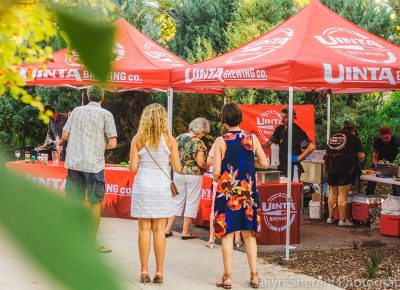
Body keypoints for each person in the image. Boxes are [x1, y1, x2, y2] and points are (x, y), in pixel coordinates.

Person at [212, 103, 268, 289]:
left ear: (224, 120)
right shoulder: (252, 138)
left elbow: (216, 172)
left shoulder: (221, 141)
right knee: (249, 234)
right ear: (240, 118)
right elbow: (265, 163)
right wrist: (248, 167)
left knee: (227, 234)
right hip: (248, 192)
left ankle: (227, 278)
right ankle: (254, 276)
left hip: (227, 192)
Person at [57, 86, 117, 252]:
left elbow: (66, 135)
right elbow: (112, 143)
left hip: (74, 162)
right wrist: (97, 144)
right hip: (94, 165)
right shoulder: (106, 115)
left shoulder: (76, 111)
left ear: (88, 96)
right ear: (102, 98)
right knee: (94, 203)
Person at [129, 103, 182, 284]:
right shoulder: (170, 140)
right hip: (161, 187)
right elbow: (177, 167)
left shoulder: (138, 139)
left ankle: (144, 271)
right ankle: (159, 272)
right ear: (163, 119)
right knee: (159, 230)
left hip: (143, 185)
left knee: (144, 230)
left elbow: (133, 168)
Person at [165, 118, 210, 239]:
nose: (204, 135)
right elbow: (200, 163)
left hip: (178, 173)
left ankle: (168, 229)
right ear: (200, 130)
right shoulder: (198, 143)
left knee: (176, 201)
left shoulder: (179, 138)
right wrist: (208, 165)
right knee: (191, 202)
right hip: (193, 175)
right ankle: (185, 232)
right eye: (204, 132)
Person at [206, 134, 243, 249]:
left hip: (220, 180)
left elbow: (209, 161)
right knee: (236, 207)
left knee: (215, 209)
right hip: (236, 180)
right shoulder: (243, 141)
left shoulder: (219, 141)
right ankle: (237, 239)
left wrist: (219, 161)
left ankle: (212, 238)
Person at [325, 122, 365, 226]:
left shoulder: (333, 136)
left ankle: (330, 217)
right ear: (353, 130)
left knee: (332, 192)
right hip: (344, 167)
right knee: (342, 193)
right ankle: (342, 220)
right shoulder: (353, 137)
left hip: (330, 165)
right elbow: (360, 156)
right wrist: (362, 156)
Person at [262, 106, 315, 181]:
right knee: (282, 192)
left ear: (293, 118)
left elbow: (311, 147)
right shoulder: (279, 129)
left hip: (293, 168)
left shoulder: (297, 132)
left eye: (286, 117)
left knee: (293, 191)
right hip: (281, 168)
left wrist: (298, 158)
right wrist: (256, 144)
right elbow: (268, 143)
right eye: (281, 116)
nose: (282, 120)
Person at [366, 126, 400, 196]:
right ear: (380, 136)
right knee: (372, 180)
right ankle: (368, 196)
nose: (385, 140)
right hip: (381, 162)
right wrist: (377, 165)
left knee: (396, 184)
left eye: (387, 137)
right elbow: (375, 156)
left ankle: (397, 199)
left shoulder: (397, 140)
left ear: (391, 134)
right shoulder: (377, 141)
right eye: (383, 138)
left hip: (394, 163)